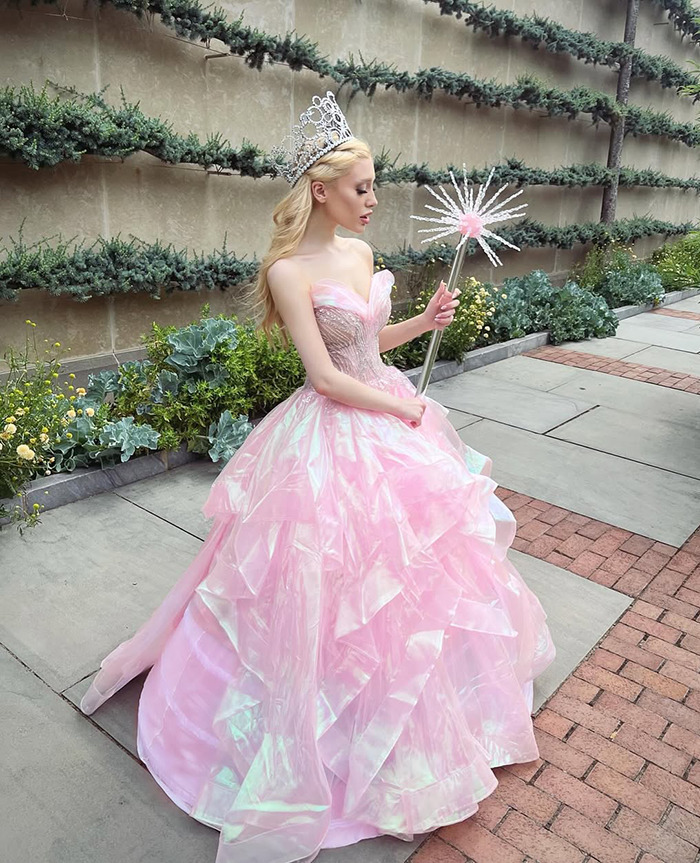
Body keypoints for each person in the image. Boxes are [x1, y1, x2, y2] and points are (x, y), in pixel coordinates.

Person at [79, 91, 555, 863]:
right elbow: (326, 377)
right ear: (321, 190)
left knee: (406, 584)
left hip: (384, 410)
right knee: (314, 585)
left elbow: (370, 341)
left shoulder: (363, 257)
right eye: (362, 186)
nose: (373, 199)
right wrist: (398, 413)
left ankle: (404, 722)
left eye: (374, 185)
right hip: (336, 428)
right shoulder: (289, 271)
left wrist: (422, 325)